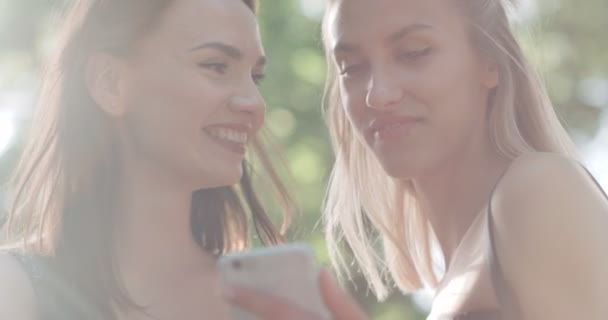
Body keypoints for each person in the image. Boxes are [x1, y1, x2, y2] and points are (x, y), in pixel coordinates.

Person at [229, 0, 608, 319]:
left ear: (489, 63)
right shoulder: (457, 271)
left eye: (413, 53)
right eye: (352, 68)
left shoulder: (538, 189)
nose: (378, 95)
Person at [0, 0, 298, 319]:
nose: (255, 104)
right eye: (216, 66)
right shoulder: (14, 289)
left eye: (256, 77)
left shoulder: (268, 303)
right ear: (109, 82)